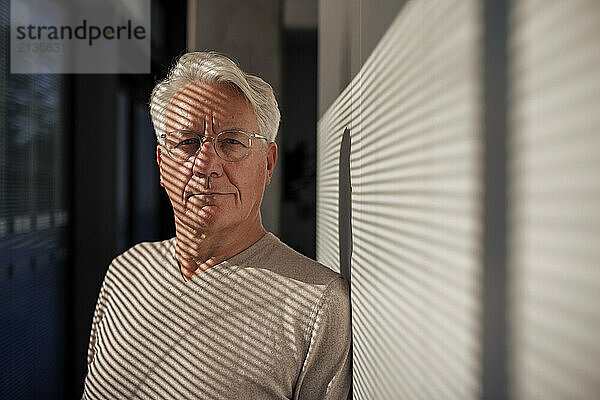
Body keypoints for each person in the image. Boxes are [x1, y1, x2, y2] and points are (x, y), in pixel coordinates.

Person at [82, 51, 351, 400]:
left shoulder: (316, 305)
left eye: (231, 142)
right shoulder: (126, 273)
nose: (206, 165)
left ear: (268, 165)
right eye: (188, 142)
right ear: (163, 165)